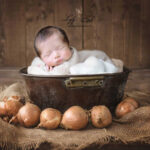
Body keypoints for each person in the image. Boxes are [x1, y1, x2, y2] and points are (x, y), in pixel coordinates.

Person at [28, 26, 123, 75]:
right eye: (48, 54)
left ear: (68, 45)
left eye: (60, 48)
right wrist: (44, 67)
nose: (56, 55)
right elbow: (33, 68)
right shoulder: (40, 62)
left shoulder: (72, 60)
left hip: (101, 60)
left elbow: (60, 73)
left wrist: (48, 72)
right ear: (41, 58)